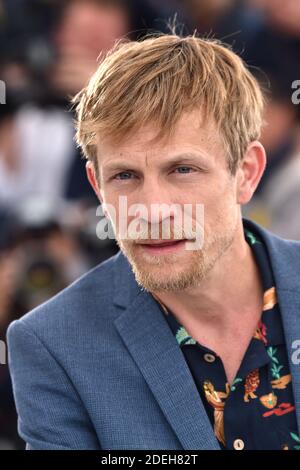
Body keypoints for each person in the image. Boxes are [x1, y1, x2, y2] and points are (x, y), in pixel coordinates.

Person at [7, 33, 300, 450]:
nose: (152, 210)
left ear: (247, 173)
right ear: (96, 185)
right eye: (125, 176)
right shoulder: (54, 346)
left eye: (182, 169)